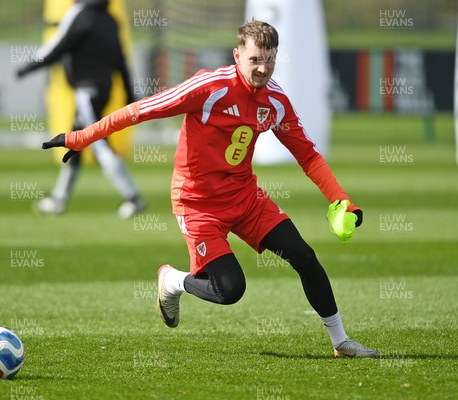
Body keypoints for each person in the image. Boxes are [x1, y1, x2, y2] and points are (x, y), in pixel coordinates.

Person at [42, 20, 379, 358]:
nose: (263, 68)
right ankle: (172, 280)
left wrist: (341, 200)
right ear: (237, 56)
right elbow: (141, 111)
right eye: (255, 60)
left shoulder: (275, 101)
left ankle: (340, 342)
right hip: (197, 205)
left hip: (246, 199)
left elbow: (307, 155)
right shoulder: (209, 87)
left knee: (305, 256)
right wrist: (80, 137)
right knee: (231, 290)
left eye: (270, 60)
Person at [17, 0, 145, 219]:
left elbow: (59, 46)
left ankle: (133, 197)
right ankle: (59, 198)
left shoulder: (80, 14)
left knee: (97, 142)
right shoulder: (110, 20)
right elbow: (120, 60)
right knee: (77, 140)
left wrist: (28, 67)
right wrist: (129, 93)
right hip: (104, 89)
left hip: (87, 92)